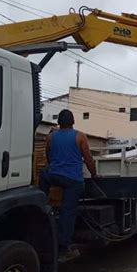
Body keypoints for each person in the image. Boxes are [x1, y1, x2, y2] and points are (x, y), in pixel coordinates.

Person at [39, 109, 98, 260]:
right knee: (68, 212)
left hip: (54, 176)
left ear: (59, 122)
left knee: (44, 175)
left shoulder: (51, 137)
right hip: (72, 181)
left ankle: (42, 204)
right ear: (73, 122)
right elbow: (88, 159)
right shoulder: (80, 136)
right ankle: (64, 246)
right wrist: (94, 174)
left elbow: (48, 155)